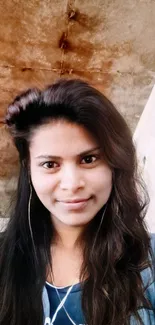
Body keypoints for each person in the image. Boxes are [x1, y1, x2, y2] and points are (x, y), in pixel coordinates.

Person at [0, 78, 154, 325]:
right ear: (29, 170)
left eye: (89, 159)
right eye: (50, 164)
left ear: (115, 163)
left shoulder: (149, 260)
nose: (71, 184)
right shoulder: (5, 257)